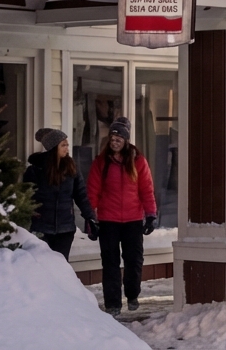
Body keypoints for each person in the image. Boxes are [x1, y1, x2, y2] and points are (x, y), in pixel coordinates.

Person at [88, 117, 157, 316]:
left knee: (133, 260)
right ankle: (113, 303)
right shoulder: (101, 162)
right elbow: (92, 191)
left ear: (126, 140)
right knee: (110, 262)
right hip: (108, 220)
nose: (114, 141)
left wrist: (151, 215)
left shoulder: (138, 161)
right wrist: (91, 218)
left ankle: (133, 293)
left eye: (119, 137)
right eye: (112, 137)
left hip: (133, 220)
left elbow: (146, 190)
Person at [23, 128, 97, 260]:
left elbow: (81, 195)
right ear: (53, 147)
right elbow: (26, 198)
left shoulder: (71, 168)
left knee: (61, 266)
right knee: (42, 266)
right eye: (63, 145)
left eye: (67, 144)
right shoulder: (35, 170)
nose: (67, 148)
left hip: (65, 229)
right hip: (42, 228)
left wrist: (90, 218)